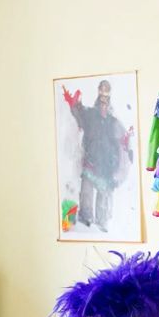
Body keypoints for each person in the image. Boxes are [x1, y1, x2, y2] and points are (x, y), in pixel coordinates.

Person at [61, 80, 133, 231]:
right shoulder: (90, 115)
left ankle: (102, 226)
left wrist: (128, 144)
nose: (103, 103)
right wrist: (74, 104)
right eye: (101, 97)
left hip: (107, 166)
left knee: (104, 200)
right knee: (86, 194)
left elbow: (123, 141)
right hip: (91, 161)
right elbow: (79, 114)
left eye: (106, 98)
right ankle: (85, 222)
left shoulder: (114, 122)